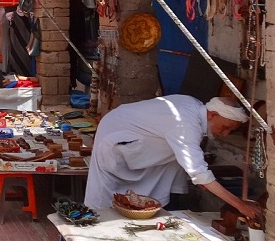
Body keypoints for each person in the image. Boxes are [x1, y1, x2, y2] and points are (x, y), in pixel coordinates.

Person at [84, 95, 261, 221]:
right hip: (116, 138)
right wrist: (240, 205)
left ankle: (151, 216)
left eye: (230, 131)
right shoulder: (186, 123)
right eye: (225, 127)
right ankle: (98, 230)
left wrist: (201, 177)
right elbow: (199, 172)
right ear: (212, 115)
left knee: (168, 172)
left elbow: (195, 165)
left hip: (135, 140)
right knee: (105, 198)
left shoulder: (194, 107)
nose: (225, 133)